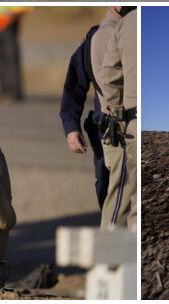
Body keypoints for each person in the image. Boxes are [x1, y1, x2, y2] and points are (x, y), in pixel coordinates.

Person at [92, 6, 137, 229]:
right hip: (121, 123)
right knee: (121, 195)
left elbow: (109, 79)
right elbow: (106, 81)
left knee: (128, 196)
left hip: (125, 119)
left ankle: (119, 259)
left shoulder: (123, 26)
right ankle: (109, 257)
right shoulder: (107, 33)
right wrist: (119, 116)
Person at [59, 25, 110, 210]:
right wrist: (71, 127)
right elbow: (74, 85)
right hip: (106, 131)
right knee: (107, 192)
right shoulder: (97, 37)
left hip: (131, 128)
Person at [0, 6, 32, 101]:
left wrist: (16, 13)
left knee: (10, 57)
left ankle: (13, 91)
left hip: (8, 20)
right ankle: (3, 89)